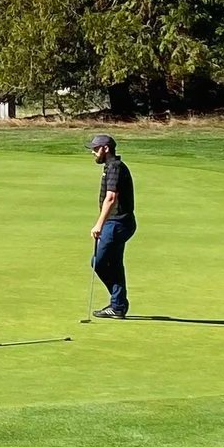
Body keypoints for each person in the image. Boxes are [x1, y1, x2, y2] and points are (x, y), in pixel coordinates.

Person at [87, 132, 134, 317]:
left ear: (105, 149)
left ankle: (118, 302)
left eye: (95, 148)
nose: (93, 152)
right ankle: (118, 306)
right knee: (114, 264)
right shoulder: (111, 166)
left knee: (98, 262)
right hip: (119, 222)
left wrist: (99, 224)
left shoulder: (115, 167)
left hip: (117, 223)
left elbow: (111, 198)